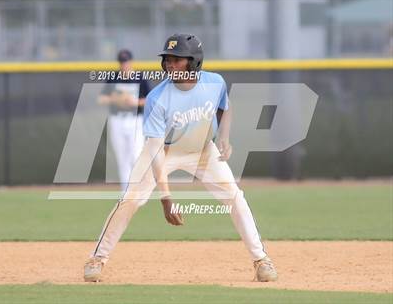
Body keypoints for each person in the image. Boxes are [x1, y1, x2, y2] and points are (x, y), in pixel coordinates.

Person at [85, 34, 277, 283]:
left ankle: (261, 260)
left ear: (194, 61)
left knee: (235, 197)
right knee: (130, 199)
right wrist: (166, 197)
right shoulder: (157, 98)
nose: (170, 64)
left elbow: (225, 107)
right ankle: (98, 258)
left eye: (177, 59)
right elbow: (154, 151)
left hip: (203, 150)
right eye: (167, 59)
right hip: (164, 151)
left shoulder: (214, 82)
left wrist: (225, 138)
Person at [98, 49, 151, 191]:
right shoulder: (113, 77)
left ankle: (141, 188)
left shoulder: (140, 77)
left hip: (135, 120)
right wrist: (116, 98)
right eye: (122, 62)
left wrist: (135, 102)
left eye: (126, 62)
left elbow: (149, 100)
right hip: (117, 120)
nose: (124, 65)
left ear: (131, 62)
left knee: (136, 155)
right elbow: (101, 98)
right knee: (123, 158)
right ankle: (126, 193)